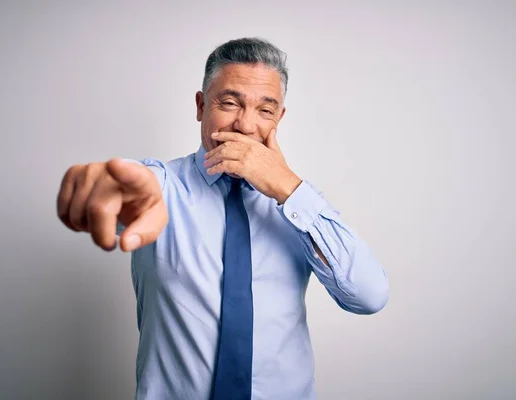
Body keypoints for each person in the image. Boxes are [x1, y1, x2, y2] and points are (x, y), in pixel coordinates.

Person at [56, 37, 389, 400]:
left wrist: (289, 190)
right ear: (201, 106)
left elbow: (368, 295)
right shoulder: (162, 187)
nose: (245, 125)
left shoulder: (301, 208)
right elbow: (128, 188)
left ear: (279, 118)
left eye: (265, 110)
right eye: (229, 103)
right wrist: (108, 188)